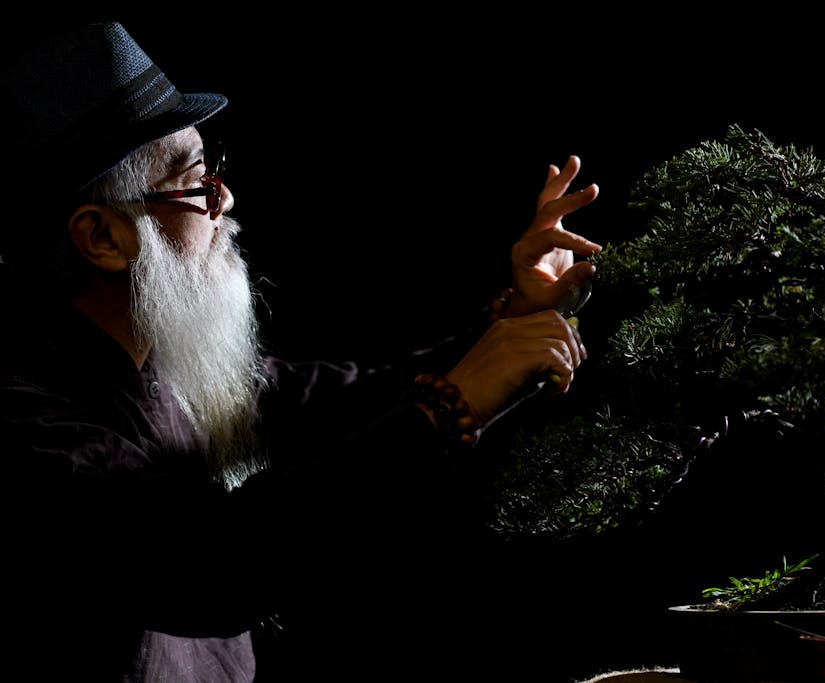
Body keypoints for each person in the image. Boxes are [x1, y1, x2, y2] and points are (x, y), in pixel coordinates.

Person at [0, 21, 604, 682]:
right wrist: (449, 405)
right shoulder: (26, 416)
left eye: (215, 171)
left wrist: (512, 320)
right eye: (193, 182)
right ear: (102, 237)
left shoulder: (171, 368)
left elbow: (345, 404)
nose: (223, 197)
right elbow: (208, 563)